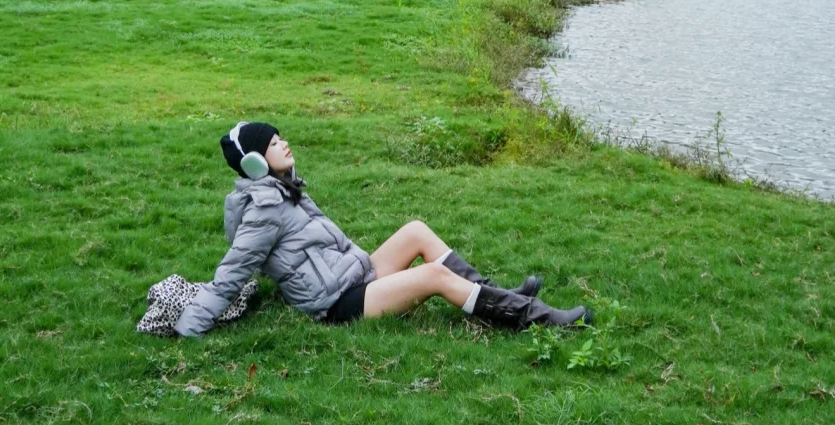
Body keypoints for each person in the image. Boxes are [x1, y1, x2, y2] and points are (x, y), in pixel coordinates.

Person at [174, 120, 591, 338]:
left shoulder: (284, 189)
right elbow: (234, 268)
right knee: (434, 276)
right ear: (254, 162)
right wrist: (191, 325)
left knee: (416, 231)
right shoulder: (265, 208)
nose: (284, 143)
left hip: (354, 278)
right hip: (337, 305)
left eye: (281, 138)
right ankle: (534, 318)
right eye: (272, 143)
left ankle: (500, 297)